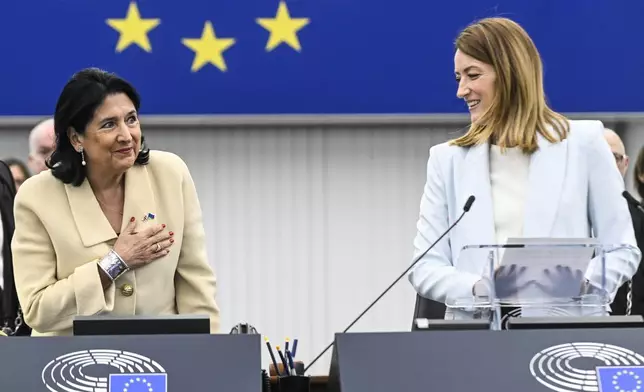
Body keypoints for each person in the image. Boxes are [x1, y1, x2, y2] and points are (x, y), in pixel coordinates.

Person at [407, 17, 640, 321]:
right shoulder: (447, 160)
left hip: (566, 335)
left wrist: (584, 282)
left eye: (472, 75)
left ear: (510, 74)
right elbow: (424, 267)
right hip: (475, 343)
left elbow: (623, 249)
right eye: (458, 78)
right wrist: (479, 288)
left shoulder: (585, 143)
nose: (461, 90)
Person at [11, 68, 220, 336]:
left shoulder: (170, 173)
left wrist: (210, 359)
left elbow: (197, 286)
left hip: (162, 362)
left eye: (131, 119)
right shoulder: (36, 196)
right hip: (72, 366)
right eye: (109, 124)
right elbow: (38, 311)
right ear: (76, 138)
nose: (126, 135)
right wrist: (115, 261)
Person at [608, 136, 644, 316]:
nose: (604, 164)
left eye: (613, 157)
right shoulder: (563, 216)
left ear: (625, 163)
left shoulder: (639, 218)